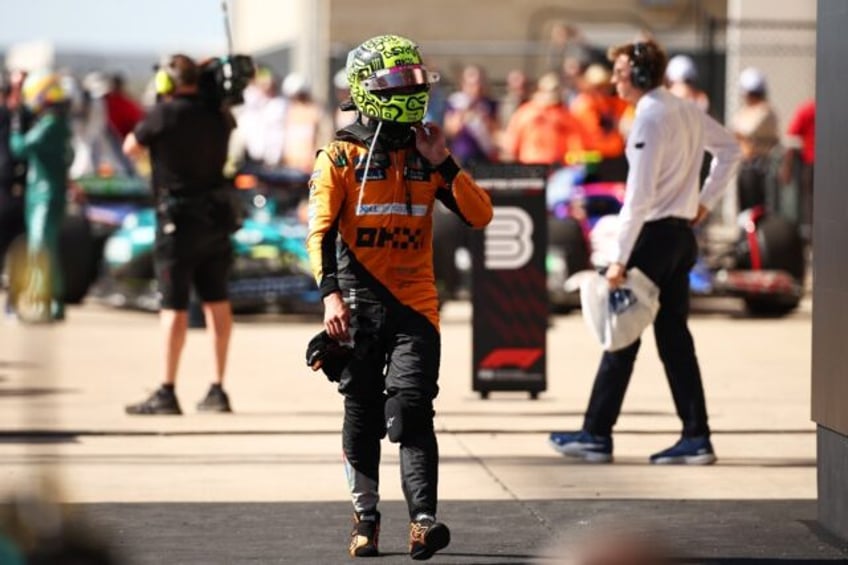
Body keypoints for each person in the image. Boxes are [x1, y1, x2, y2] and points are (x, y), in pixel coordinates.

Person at [306, 34, 493, 559]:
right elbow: (318, 233)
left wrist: (445, 161)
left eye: (414, 80)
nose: (409, 91)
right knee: (362, 411)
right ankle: (365, 519)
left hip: (416, 306)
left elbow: (481, 215)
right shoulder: (339, 153)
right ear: (366, 89)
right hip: (357, 309)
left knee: (411, 409)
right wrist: (330, 298)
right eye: (396, 83)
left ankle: (424, 522)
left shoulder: (427, 151)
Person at [548, 40, 741, 465]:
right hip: (679, 237)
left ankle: (596, 434)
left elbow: (638, 196)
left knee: (621, 334)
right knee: (673, 339)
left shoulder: (649, 116)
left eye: (619, 71)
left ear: (637, 74)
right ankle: (696, 436)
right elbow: (730, 151)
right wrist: (703, 202)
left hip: (652, 237)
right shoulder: (685, 109)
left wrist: (620, 256)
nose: (613, 78)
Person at [123, 54, 238, 415]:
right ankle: (218, 388)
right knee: (217, 302)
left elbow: (131, 147)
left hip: (177, 222)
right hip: (215, 218)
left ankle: (167, 389)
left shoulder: (164, 114)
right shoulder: (220, 115)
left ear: (167, 83)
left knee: (173, 307)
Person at [9, 70, 73, 323]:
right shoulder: (57, 123)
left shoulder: (50, 125)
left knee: (41, 250)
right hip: (43, 193)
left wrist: (16, 124)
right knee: (44, 249)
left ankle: (46, 301)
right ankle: (51, 301)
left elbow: (20, 148)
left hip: (45, 195)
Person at [502, 72, 588, 165]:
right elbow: (512, 143)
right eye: (549, 90)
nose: (552, 94)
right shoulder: (526, 112)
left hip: (559, 167)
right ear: (540, 90)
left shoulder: (565, 114)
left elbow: (577, 142)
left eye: (556, 90)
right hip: (531, 165)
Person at [0, 70, 31, 317]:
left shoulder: (25, 116)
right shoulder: (10, 116)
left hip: (20, 191)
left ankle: (13, 302)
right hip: (8, 191)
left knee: (20, 250)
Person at [730, 67, 780, 212]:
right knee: (744, 206)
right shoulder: (746, 111)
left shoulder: (766, 111)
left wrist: (741, 136)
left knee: (758, 207)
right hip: (746, 164)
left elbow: (748, 129)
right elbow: (735, 130)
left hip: (760, 167)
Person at [443, 64, 499, 166]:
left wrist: (483, 117)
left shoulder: (490, 104)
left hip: (484, 157)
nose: (476, 87)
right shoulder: (455, 102)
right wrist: (465, 110)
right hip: (462, 157)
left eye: (478, 83)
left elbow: (495, 132)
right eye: (471, 84)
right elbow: (450, 131)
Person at [780, 98, 815, 240]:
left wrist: (787, 167)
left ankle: (811, 233)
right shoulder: (808, 110)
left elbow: (790, 139)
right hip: (818, 163)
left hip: (811, 164)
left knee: (810, 202)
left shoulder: (807, 109)